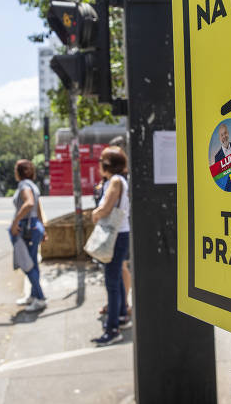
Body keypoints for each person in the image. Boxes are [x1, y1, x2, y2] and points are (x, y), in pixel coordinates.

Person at [91, 146, 131, 346]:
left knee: (112, 283)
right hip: (120, 234)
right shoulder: (118, 180)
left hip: (115, 235)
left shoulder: (115, 181)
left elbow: (107, 208)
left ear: (107, 164)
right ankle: (122, 315)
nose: (98, 164)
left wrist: (95, 213)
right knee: (115, 278)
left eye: (101, 161)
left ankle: (112, 329)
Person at [11, 159, 47, 313]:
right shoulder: (33, 185)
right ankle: (34, 295)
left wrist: (15, 221)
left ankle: (39, 297)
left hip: (26, 228)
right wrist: (42, 228)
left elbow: (30, 203)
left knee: (27, 264)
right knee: (32, 263)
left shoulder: (24, 185)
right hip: (34, 226)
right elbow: (38, 207)